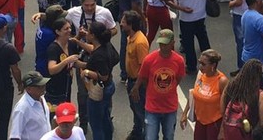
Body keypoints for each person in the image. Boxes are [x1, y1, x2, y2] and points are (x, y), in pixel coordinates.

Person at [156, 0, 214, 73]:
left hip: (187, 17)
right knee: (203, 38)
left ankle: (191, 66)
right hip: (201, 13)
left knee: (188, 43)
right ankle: (210, 61)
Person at [132, 29, 186, 140]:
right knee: (150, 137)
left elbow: (178, 79)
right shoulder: (149, 59)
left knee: (169, 136)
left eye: (166, 44)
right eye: (161, 43)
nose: (163, 47)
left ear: (172, 43)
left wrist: (167, 89)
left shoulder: (179, 60)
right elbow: (143, 77)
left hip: (170, 108)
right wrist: (137, 88)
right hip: (152, 107)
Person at [73, 21, 119, 140]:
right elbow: (115, 58)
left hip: (99, 91)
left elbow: (103, 76)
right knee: (105, 118)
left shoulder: (99, 55)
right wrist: (79, 42)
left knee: (96, 124)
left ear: (93, 35)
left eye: (88, 31)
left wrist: (86, 71)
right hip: (110, 86)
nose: (86, 33)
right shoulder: (106, 45)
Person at [181, 49, 229, 139]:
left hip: (214, 124)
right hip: (200, 122)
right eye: (200, 62)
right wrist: (184, 113)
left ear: (213, 65)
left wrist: (222, 131)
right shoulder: (201, 75)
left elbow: (227, 107)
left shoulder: (222, 81)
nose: (200, 66)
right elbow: (193, 93)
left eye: (203, 64)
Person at [221, 59, 263, 140]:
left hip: (229, 132)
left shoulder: (229, 86)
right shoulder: (261, 95)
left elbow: (222, 110)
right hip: (248, 134)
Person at [122, 10, 149, 139]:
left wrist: (137, 87)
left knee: (141, 111)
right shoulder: (130, 38)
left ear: (130, 24)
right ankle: (137, 131)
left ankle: (145, 135)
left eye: (123, 22)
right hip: (131, 79)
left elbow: (144, 68)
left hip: (138, 83)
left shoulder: (140, 42)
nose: (121, 24)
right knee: (135, 108)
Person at [116, 0, 144, 82]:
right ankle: (131, 73)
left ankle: (123, 72)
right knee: (131, 46)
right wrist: (143, 20)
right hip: (130, 21)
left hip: (122, 16)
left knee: (124, 46)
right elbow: (135, 8)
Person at [8, 71, 53, 140]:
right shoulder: (22, 108)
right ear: (28, 89)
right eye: (39, 86)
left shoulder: (42, 98)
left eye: (43, 84)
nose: (43, 87)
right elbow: (15, 136)